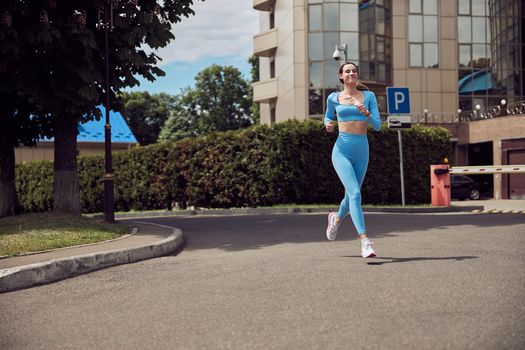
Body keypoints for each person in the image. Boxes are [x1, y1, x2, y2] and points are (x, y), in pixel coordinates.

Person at [324, 62, 382, 258]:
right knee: (356, 194)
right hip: (341, 150)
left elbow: (378, 125)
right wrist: (328, 125)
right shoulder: (333, 98)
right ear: (341, 76)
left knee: (350, 196)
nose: (351, 73)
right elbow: (326, 117)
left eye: (354, 70)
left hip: (362, 151)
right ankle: (365, 242)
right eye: (347, 71)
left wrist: (367, 113)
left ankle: (336, 219)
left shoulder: (369, 97)